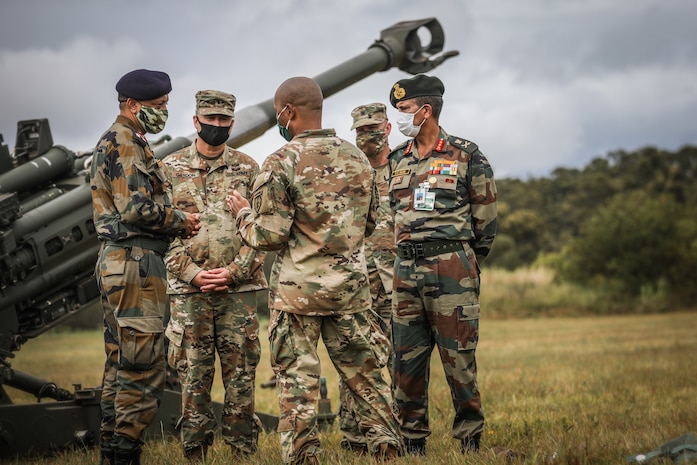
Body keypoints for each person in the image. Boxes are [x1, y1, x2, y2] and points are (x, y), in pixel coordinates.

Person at [227, 76, 404, 465]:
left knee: (297, 387)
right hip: (351, 292)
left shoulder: (280, 161)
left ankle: (304, 459)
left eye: (279, 114)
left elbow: (269, 236)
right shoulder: (356, 157)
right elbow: (371, 224)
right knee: (369, 381)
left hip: (297, 296)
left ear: (288, 112)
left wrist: (242, 212)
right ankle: (389, 452)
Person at [90, 68, 201, 465]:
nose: (164, 111)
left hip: (122, 263)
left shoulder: (122, 140)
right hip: (136, 264)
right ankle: (123, 455)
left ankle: (113, 451)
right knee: (142, 366)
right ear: (133, 105)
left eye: (166, 104)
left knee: (121, 362)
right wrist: (180, 221)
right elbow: (136, 209)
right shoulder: (125, 144)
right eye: (158, 106)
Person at [386, 74, 498, 456]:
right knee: (406, 360)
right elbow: (391, 216)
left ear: (425, 110)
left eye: (402, 110)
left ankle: (470, 438)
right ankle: (412, 440)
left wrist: (463, 262)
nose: (399, 117)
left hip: (451, 268)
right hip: (404, 271)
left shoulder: (466, 155)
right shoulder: (396, 159)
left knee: (459, 357)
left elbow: (486, 222)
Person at [163, 90, 268, 462]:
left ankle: (242, 451)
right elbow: (162, 233)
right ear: (196, 121)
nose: (217, 126)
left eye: (224, 120)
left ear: (232, 123)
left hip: (237, 293)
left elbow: (261, 230)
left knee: (241, 374)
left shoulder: (249, 168)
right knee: (193, 374)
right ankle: (195, 451)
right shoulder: (169, 169)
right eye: (210, 119)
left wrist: (235, 271)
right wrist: (192, 274)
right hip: (189, 294)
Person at [339, 102, 397, 454]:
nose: (367, 137)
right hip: (358, 283)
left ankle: (400, 430)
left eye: (373, 129)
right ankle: (353, 435)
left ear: (388, 129)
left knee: (400, 360)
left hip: (397, 281)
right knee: (356, 356)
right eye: (361, 131)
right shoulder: (350, 174)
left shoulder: (404, 170)